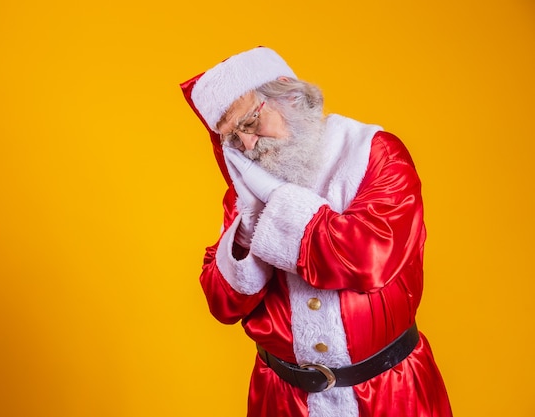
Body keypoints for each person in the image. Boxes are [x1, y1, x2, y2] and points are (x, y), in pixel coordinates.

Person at [180, 46, 452, 417]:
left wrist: (276, 202)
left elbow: (366, 259)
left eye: (248, 123)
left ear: (290, 94)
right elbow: (222, 303)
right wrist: (245, 230)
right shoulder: (244, 194)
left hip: (389, 392)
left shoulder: (375, 154)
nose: (247, 145)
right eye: (232, 138)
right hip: (282, 400)